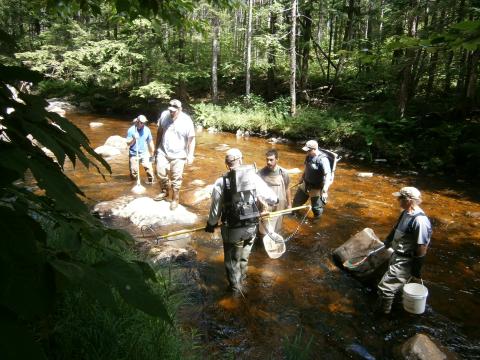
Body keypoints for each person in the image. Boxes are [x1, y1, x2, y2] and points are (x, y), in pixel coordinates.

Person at [205, 148, 278, 294]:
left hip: (232, 230)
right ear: (242, 159)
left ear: (227, 164)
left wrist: (211, 224)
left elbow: (215, 211)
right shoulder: (253, 177)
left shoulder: (221, 182)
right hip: (251, 227)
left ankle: (235, 290)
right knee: (244, 258)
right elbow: (273, 199)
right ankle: (242, 280)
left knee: (232, 262)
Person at [376, 186, 432, 315]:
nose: (397, 200)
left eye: (400, 198)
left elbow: (421, 248)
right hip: (397, 255)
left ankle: (383, 316)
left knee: (386, 289)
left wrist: (416, 272)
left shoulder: (420, 221)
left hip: (405, 261)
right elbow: (396, 228)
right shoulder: (406, 212)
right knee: (395, 286)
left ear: (409, 200)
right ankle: (397, 308)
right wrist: (388, 241)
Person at [154, 99, 196, 210]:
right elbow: (159, 132)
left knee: (176, 179)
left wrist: (190, 155)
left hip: (179, 155)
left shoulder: (186, 120)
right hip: (163, 151)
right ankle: (165, 191)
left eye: (174, 111)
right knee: (160, 173)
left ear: (180, 109)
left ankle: (175, 199)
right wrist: (155, 148)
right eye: (170, 110)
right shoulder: (164, 115)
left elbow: (191, 139)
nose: (171, 113)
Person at [292, 140, 332, 219]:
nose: (306, 152)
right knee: (296, 202)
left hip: (316, 188)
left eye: (308, 150)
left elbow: (328, 175)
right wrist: (302, 177)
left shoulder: (323, 160)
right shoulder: (308, 156)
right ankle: (293, 215)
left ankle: (316, 222)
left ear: (314, 149)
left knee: (316, 209)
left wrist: (325, 189)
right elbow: (306, 168)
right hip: (305, 184)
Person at [258, 149, 292, 235]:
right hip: (266, 205)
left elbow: (287, 188)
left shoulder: (284, 173)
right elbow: (257, 191)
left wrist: (289, 205)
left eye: (271, 160)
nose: (268, 162)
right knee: (264, 229)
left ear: (277, 159)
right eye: (267, 160)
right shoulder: (261, 173)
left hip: (280, 205)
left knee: (277, 227)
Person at [126, 115, 155, 184]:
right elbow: (128, 144)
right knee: (134, 173)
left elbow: (150, 141)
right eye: (141, 122)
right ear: (137, 121)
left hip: (144, 153)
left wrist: (153, 153)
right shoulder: (131, 130)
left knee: (149, 170)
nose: (142, 124)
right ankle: (133, 184)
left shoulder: (147, 130)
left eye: (143, 123)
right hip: (134, 153)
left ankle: (151, 184)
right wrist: (134, 139)